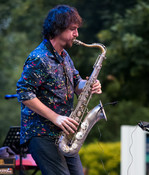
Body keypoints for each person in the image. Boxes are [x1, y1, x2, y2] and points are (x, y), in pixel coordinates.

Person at [16, 4, 102, 175]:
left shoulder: (65, 56)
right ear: (57, 29)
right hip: (42, 135)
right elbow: (24, 94)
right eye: (72, 29)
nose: (76, 34)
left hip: (64, 135)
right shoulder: (38, 58)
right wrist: (56, 118)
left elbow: (77, 83)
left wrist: (90, 84)